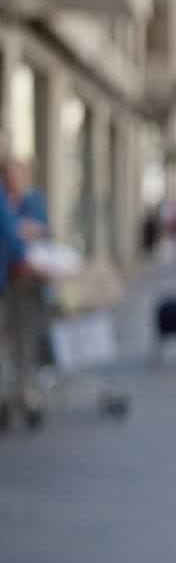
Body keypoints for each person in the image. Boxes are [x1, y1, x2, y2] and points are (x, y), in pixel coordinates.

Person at [0, 156, 49, 427]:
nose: (12, 179)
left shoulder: (32, 201)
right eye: (8, 174)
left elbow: (40, 230)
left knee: (24, 339)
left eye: (16, 174)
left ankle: (24, 393)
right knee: (8, 341)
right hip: (7, 280)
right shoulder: (5, 202)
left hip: (27, 283)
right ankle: (12, 395)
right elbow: (13, 235)